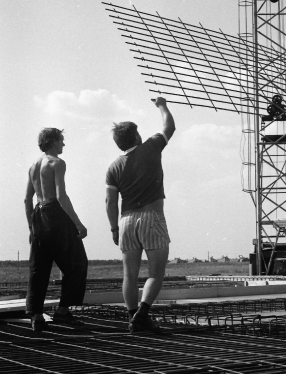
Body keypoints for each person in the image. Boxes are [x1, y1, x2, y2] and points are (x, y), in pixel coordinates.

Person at [105, 97, 175, 333]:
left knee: (130, 274)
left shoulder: (113, 167)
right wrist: (162, 106)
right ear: (136, 137)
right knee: (156, 272)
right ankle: (142, 314)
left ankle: (131, 316)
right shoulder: (151, 147)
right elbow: (169, 127)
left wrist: (114, 228)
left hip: (125, 222)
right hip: (151, 218)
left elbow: (110, 201)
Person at [24, 128, 88, 334]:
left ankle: (36, 316)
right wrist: (78, 224)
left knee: (39, 268)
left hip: (37, 215)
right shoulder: (57, 163)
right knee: (78, 262)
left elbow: (27, 199)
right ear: (52, 141)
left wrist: (31, 227)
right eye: (61, 141)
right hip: (55, 213)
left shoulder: (33, 166)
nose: (63, 145)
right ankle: (62, 310)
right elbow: (61, 197)